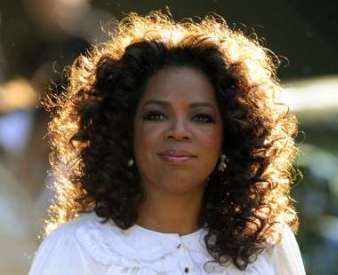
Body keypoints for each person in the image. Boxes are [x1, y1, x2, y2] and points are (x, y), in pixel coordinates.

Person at [29, 10, 305, 275]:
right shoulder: (76, 248)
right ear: (124, 130)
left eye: (201, 117)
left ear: (231, 134)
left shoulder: (268, 247)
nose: (178, 131)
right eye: (156, 115)